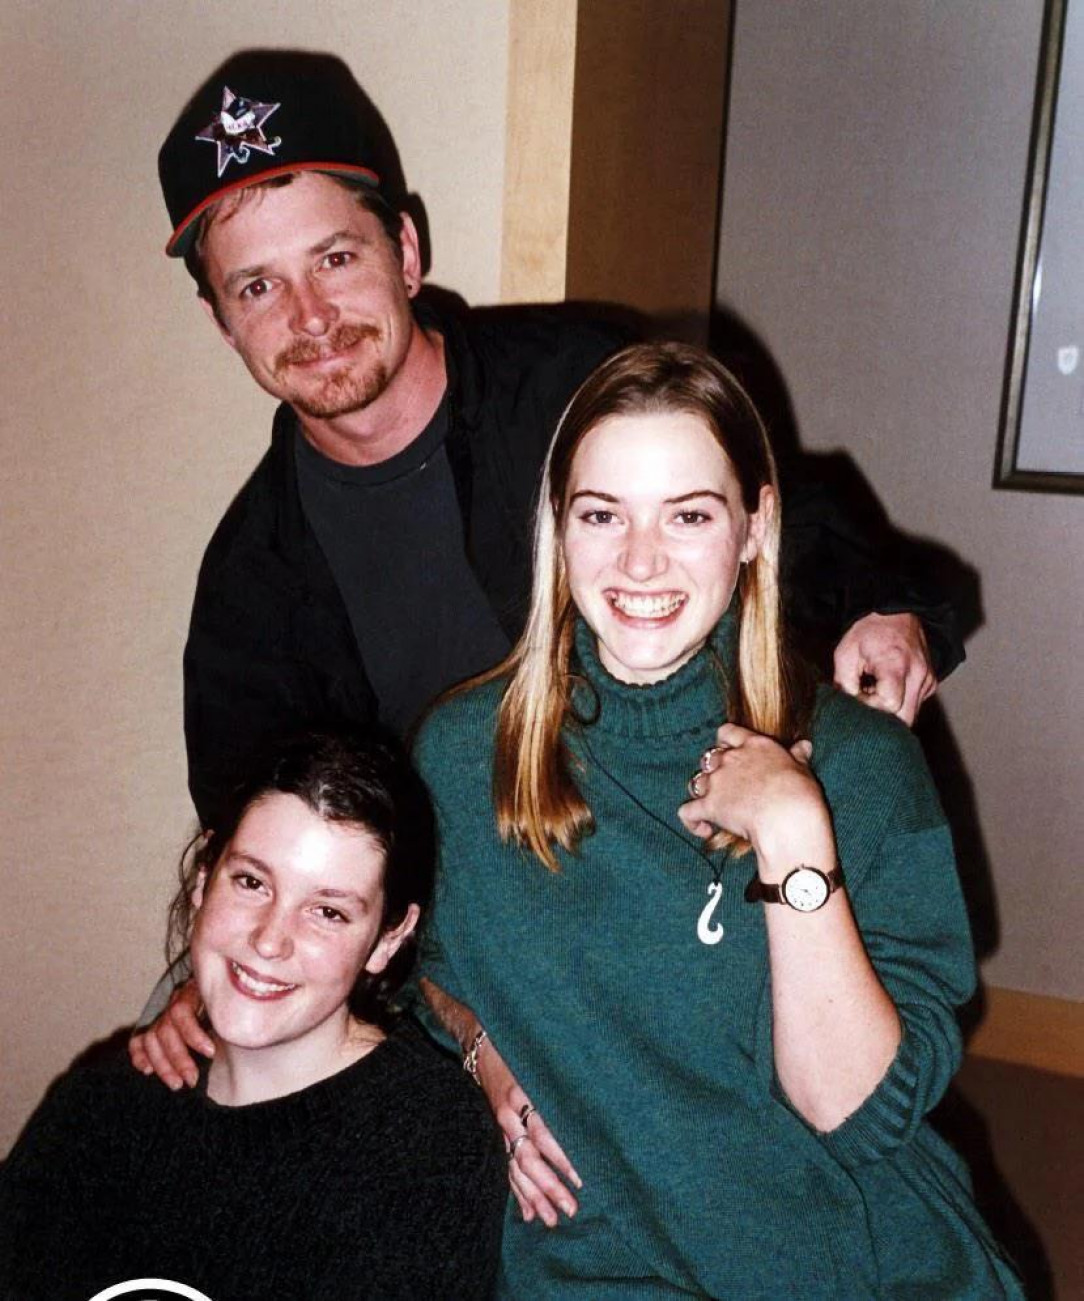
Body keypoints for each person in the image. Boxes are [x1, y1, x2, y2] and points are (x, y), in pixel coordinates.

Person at [157, 52, 959, 836]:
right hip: (470, 937)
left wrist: (886, 608)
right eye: (257, 286)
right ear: (222, 322)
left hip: (699, 862)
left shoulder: (577, 383)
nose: (311, 315)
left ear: (403, 252)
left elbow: (768, 510)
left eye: (335, 258)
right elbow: (260, 835)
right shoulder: (250, 583)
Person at [412, 343, 1022, 1298]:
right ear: (557, 529)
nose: (639, 560)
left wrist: (792, 832)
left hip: (855, 1267)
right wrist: (486, 1050)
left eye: (689, 515)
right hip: (588, 1265)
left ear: (753, 525)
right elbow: (426, 964)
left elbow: (858, 1115)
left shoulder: (859, 763)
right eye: (601, 515)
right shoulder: (461, 755)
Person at [0, 732, 506, 1301]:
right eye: (251, 882)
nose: (269, 940)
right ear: (202, 880)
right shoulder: (99, 1109)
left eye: (328, 912)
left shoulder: (427, 1152)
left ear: (389, 938)